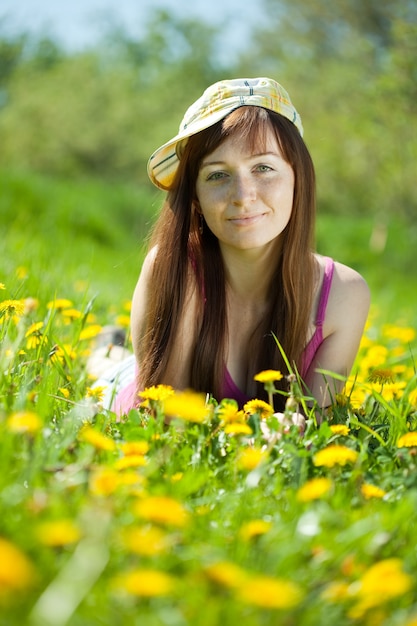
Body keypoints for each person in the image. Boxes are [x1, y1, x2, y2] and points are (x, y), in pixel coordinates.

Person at [92, 76, 370, 417]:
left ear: (299, 179)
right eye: (217, 175)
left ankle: (111, 347)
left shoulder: (342, 294)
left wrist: (289, 434)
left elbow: (318, 426)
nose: (242, 196)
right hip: (125, 392)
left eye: (264, 168)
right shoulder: (173, 267)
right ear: (194, 198)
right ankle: (108, 352)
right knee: (109, 370)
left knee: (116, 358)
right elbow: (162, 420)